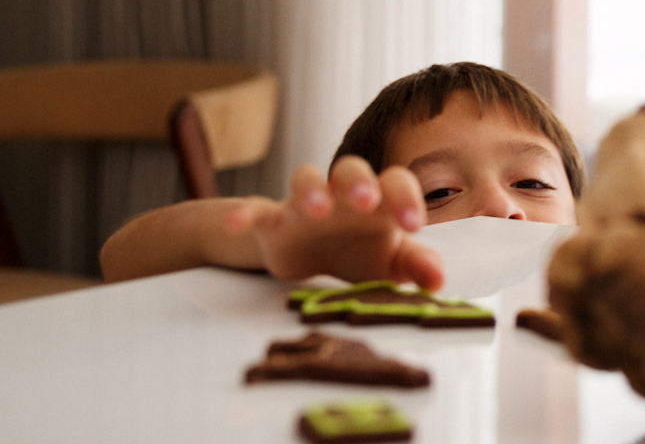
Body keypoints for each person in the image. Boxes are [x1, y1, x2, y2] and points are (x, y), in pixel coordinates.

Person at [100, 62, 584, 287]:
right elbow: (119, 257)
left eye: (532, 183)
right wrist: (266, 243)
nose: (501, 208)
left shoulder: (607, 291)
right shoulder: (363, 277)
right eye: (438, 192)